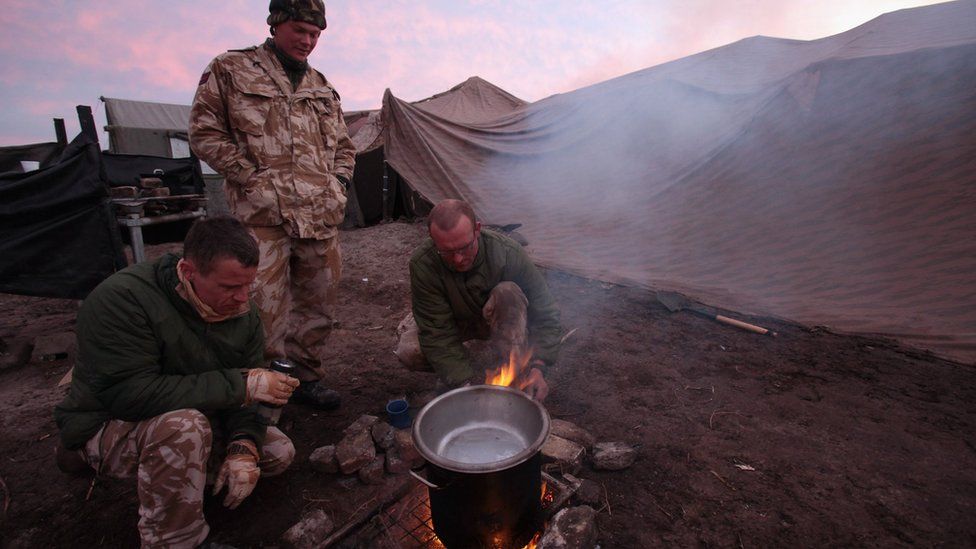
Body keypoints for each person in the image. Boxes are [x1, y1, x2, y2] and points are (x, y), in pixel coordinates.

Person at [54, 216, 300, 548]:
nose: (243, 298)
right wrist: (242, 385)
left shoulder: (242, 312)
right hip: (110, 419)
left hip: (193, 412)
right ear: (187, 272)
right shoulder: (122, 300)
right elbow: (128, 396)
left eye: (248, 285)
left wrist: (243, 447)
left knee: (277, 452)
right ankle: (176, 539)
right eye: (229, 287)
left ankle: (183, 482)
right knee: (185, 428)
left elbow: (247, 390)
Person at [188, 0, 355, 409]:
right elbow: (204, 133)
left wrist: (338, 184)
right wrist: (249, 177)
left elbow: (345, 148)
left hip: (319, 216)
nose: (307, 41)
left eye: (315, 34)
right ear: (276, 24)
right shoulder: (231, 69)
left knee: (319, 305)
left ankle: (306, 379)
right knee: (261, 310)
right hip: (263, 217)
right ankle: (263, 392)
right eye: (300, 30)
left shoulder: (322, 86)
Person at [396, 199, 563, 401]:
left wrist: (539, 366)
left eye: (464, 248)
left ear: (477, 230)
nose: (458, 259)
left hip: (497, 318)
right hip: (453, 322)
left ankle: (511, 367)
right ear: (432, 239)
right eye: (447, 252)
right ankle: (458, 366)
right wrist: (463, 383)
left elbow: (546, 312)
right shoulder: (423, 264)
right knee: (410, 350)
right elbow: (436, 330)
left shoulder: (508, 253)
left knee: (508, 292)